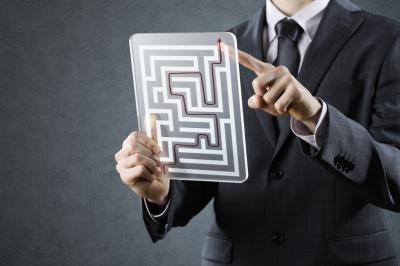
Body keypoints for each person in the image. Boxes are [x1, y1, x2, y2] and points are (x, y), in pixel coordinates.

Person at [115, 0, 400, 265]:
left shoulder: (388, 38)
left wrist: (316, 116)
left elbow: (396, 178)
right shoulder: (219, 48)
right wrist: (160, 193)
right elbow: (201, 176)